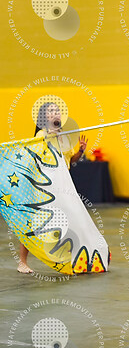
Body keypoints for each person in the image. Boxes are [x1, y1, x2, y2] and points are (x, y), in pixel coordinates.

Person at [17, 102, 87, 274]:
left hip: (64, 187)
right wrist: (50, 137)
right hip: (45, 187)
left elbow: (69, 160)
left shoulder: (65, 137)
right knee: (35, 225)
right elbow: (35, 157)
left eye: (57, 111)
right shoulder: (41, 135)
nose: (56, 113)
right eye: (51, 111)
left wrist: (80, 152)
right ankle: (22, 262)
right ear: (44, 117)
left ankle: (70, 260)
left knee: (69, 222)